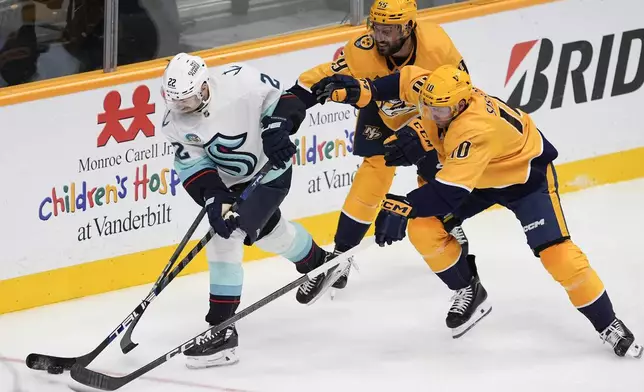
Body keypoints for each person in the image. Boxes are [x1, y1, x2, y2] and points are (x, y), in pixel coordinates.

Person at [311, 64, 644, 358]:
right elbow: (403, 82)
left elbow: (449, 195)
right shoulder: (441, 93)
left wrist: (403, 206)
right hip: (479, 179)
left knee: (558, 256)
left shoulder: (475, 129)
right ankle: (468, 287)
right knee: (423, 229)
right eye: (427, 106)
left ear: (458, 105)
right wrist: (364, 88)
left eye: (438, 110)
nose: (430, 112)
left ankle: (608, 323)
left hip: (525, 180)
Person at [159, 53, 334, 368]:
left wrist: (278, 131)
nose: (180, 109)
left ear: (202, 87)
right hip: (229, 183)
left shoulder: (241, 82)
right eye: (174, 102)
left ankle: (222, 330)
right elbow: (194, 164)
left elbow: (283, 105)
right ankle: (319, 262)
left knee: (226, 236)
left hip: (269, 172)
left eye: (186, 101)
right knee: (268, 233)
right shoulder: (175, 122)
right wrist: (213, 196)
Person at [290, 0, 471, 291]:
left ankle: (448, 224)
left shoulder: (437, 47)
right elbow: (328, 74)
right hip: (383, 109)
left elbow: (463, 96)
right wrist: (295, 98)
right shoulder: (363, 49)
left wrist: (422, 133)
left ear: (409, 26)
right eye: (377, 27)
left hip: (431, 118)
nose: (380, 36)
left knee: (435, 178)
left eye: (389, 29)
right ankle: (342, 253)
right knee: (374, 169)